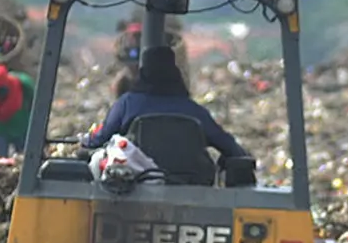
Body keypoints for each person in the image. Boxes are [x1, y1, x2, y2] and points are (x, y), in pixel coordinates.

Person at [85, 46, 247, 163]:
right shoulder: (194, 111)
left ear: (143, 72)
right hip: (190, 186)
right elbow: (230, 148)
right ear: (176, 73)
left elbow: (99, 140)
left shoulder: (127, 104)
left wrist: (84, 141)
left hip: (134, 183)